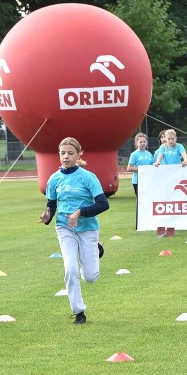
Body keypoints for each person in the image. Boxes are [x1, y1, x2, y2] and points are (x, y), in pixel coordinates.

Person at [39, 137, 109, 324]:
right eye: (63, 153)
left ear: (79, 155)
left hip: (87, 229)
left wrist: (80, 212)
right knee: (70, 268)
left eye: (70, 153)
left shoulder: (88, 177)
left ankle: (96, 249)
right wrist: (47, 216)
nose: (66, 157)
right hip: (64, 228)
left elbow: (103, 204)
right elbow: (51, 205)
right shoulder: (54, 179)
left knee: (90, 277)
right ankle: (79, 311)